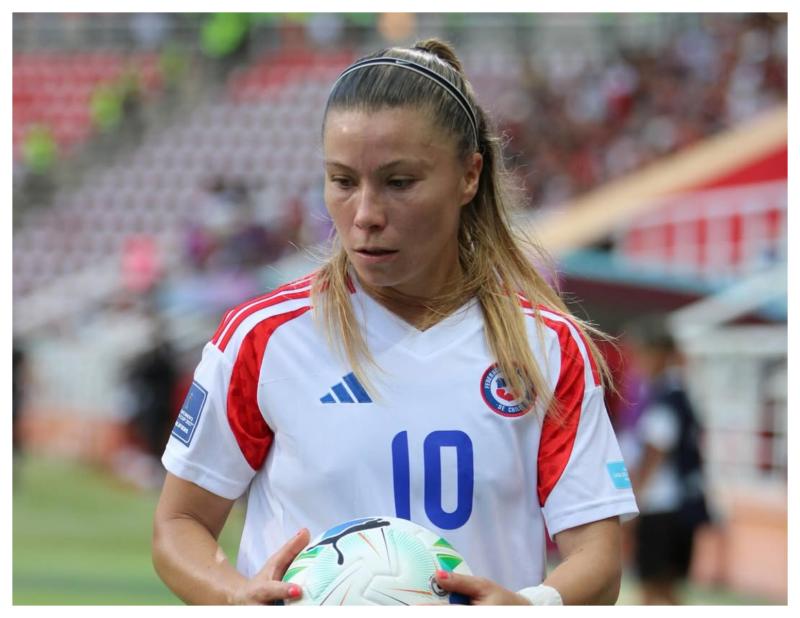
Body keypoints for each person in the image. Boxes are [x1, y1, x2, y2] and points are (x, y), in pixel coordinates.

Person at [152, 38, 638, 606]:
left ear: (469, 176)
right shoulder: (265, 338)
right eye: (342, 180)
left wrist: (532, 606)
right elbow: (178, 523)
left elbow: (599, 560)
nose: (365, 215)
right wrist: (232, 594)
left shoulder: (547, 348)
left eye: (398, 182)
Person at [625, 316, 710, 605]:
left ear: (661, 354)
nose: (639, 363)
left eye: (643, 354)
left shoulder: (667, 397)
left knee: (653, 588)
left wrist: (633, 500)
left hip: (661, 505)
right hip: (678, 504)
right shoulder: (678, 394)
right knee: (665, 589)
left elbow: (655, 452)